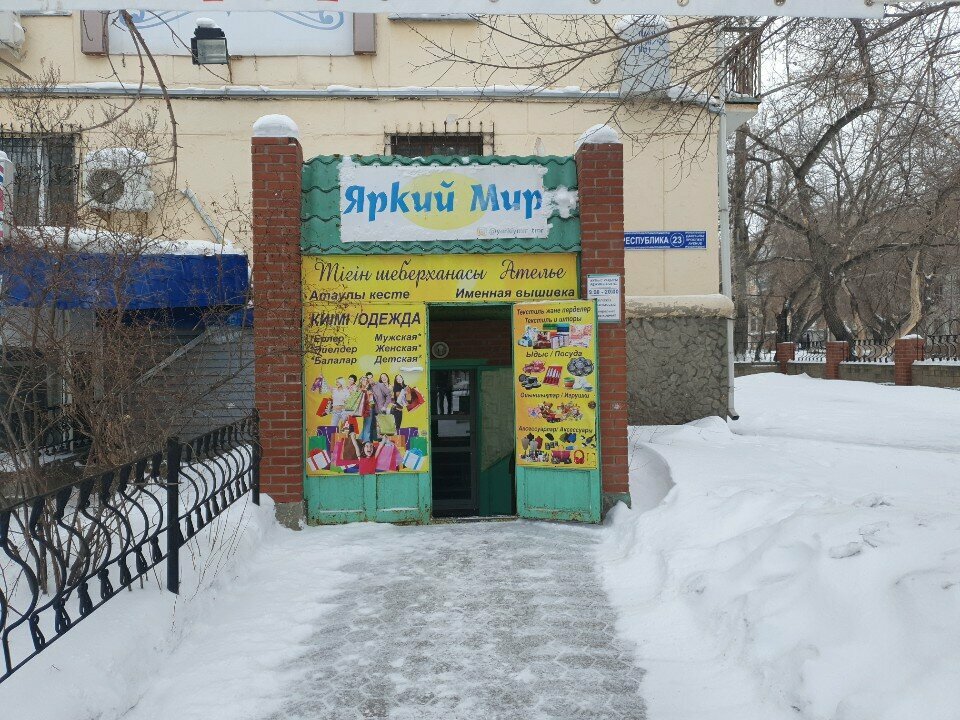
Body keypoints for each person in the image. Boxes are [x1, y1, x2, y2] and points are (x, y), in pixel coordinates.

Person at [371, 372, 394, 438]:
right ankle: (381, 439)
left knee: (389, 425)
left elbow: (392, 397)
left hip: (390, 408)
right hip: (380, 409)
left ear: (387, 377)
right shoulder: (378, 386)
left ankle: (388, 440)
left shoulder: (392, 386)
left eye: (384, 376)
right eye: (382, 377)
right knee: (380, 426)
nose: (383, 378)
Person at [356, 376, 375, 442]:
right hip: (359, 409)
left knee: (367, 425)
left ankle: (363, 441)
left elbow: (371, 402)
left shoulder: (370, 390)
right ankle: (364, 441)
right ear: (360, 381)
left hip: (368, 409)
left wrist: (368, 392)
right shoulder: (358, 389)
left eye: (366, 380)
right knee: (366, 425)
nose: (365, 381)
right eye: (363, 379)